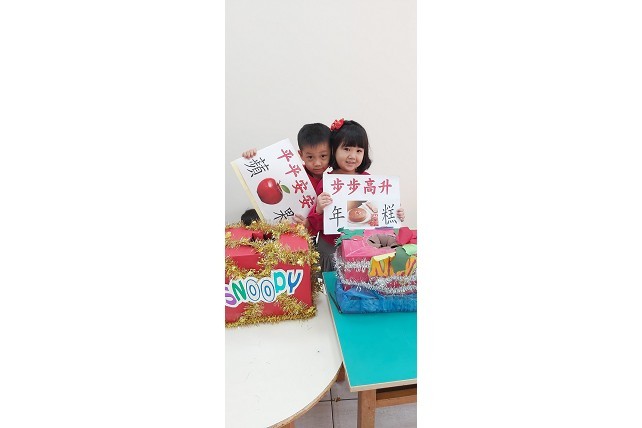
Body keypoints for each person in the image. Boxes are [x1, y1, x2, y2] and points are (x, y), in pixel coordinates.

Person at [307, 119, 405, 272]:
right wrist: (319, 209)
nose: (352, 156)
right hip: (330, 248)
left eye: (359, 151)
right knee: (330, 283)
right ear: (334, 149)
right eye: (346, 149)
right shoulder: (326, 182)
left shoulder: (368, 181)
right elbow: (316, 226)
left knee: (356, 281)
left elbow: (380, 215)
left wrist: (396, 213)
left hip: (360, 247)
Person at [241, 123, 332, 228]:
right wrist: (252, 157)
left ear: (331, 153)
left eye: (323, 156)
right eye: (310, 157)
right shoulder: (293, 173)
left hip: (309, 233)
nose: (317, 163)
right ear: (301, 155)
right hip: (283, 229)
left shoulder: (333, 181)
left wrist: (309, 223)